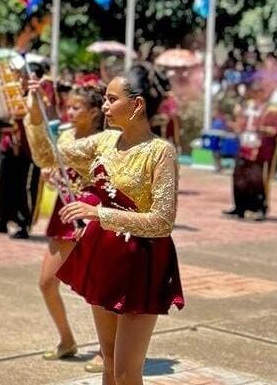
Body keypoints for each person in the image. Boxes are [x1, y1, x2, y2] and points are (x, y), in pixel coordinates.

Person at [25, 64, 183, 385]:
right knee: (109, 365)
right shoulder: (105, 141)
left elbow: (162, 222)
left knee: (126, 374)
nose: (105, 106)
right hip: (105, 256)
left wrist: (100, 214)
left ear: (137, 105)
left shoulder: (160, 152)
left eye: (112, 99)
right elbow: (49, 155)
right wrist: (36, 110)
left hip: (142, 261)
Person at [29, 84, 106, 372]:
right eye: (68, 107)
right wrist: (51, 174)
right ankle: (67, 339)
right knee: (47, 282)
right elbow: (53, 162)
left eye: (77, 108)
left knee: (97, 290)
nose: (69, 112)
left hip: (91, 217)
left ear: (94, 112)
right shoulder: (65, 134)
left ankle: (105, 348)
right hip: (64, 213)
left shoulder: (104, 141)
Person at [0, 62, 47, 239]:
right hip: (10, 146)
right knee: (4, 184)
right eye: (22, 76)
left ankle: (23, 224)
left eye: (27, 77)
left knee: (25, 188)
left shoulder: (40, 98)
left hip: (29, 150)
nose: (22, 80)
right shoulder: (13, 95)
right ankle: (2, 220)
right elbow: (7, 119)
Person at [224, 85, 277, 220]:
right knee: (239, 177)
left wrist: (260, 129)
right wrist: (234, 122)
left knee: (257, 179)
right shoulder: (248, 107)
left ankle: (260, 208)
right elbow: (241, 124)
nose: (255, 95)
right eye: (254, 92)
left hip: (260, 149)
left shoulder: (272, 109)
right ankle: (239, 207)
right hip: (245, 145)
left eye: (258, 92)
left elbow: (275, 129)